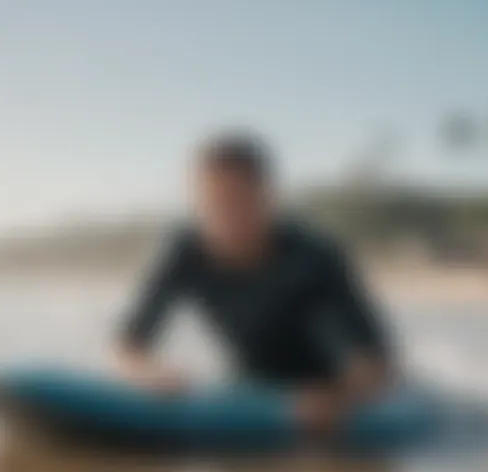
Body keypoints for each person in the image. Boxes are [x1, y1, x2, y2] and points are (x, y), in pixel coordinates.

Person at [115, 131, 394, 435]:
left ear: (267, 197)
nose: (224, 217)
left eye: (237, 201)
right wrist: (150, 374)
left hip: (324, 385)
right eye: (210, 203)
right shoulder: (183, 252)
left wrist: (341, 399)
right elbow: (129, 345)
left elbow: (376, 364)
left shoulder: (316, 257)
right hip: (247, 388)